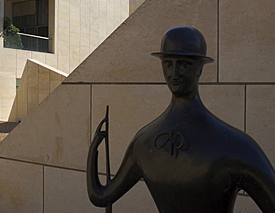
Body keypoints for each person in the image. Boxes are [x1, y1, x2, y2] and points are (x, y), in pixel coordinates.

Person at [87, 27, 275, 212]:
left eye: (184, 64)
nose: (174, 73)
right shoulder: (143, 143)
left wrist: (94, 151)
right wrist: (94, 151)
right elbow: (101, 196)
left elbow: (100, 196)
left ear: (200, 68)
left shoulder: (234, 147)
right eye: (168, 63)